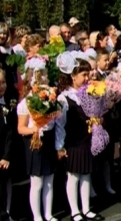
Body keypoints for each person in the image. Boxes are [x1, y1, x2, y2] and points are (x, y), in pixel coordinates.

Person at [55, 52, 104, 221]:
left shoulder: (88, 93)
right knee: (73, 176)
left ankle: (86, 208)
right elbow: (60, 125)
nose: (86, 78)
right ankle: (75, 210)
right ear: (73, 76)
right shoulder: (64, 98)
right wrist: (59, 146)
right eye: (83, 75)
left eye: (87, 74)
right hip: (73, 142)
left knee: (86, 174)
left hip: (86, 140)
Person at [17, 58, 58, 221]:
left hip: (47, 139)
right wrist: (34, 128)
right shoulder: (26, 102)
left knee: (49, 180)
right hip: (34, 141)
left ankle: (48, 213)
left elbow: (53, 118)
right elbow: (21, 128)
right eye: (43, 76)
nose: (45, 79)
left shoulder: (48, 97)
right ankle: (37, 216)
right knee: (37, 182)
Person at [0, 69, 18, 221]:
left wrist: (6, 156)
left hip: (5, 153)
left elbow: (10, 133)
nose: (2, 86)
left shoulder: (9, 102)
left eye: (3, 82)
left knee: (6, 184)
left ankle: (7, 212)